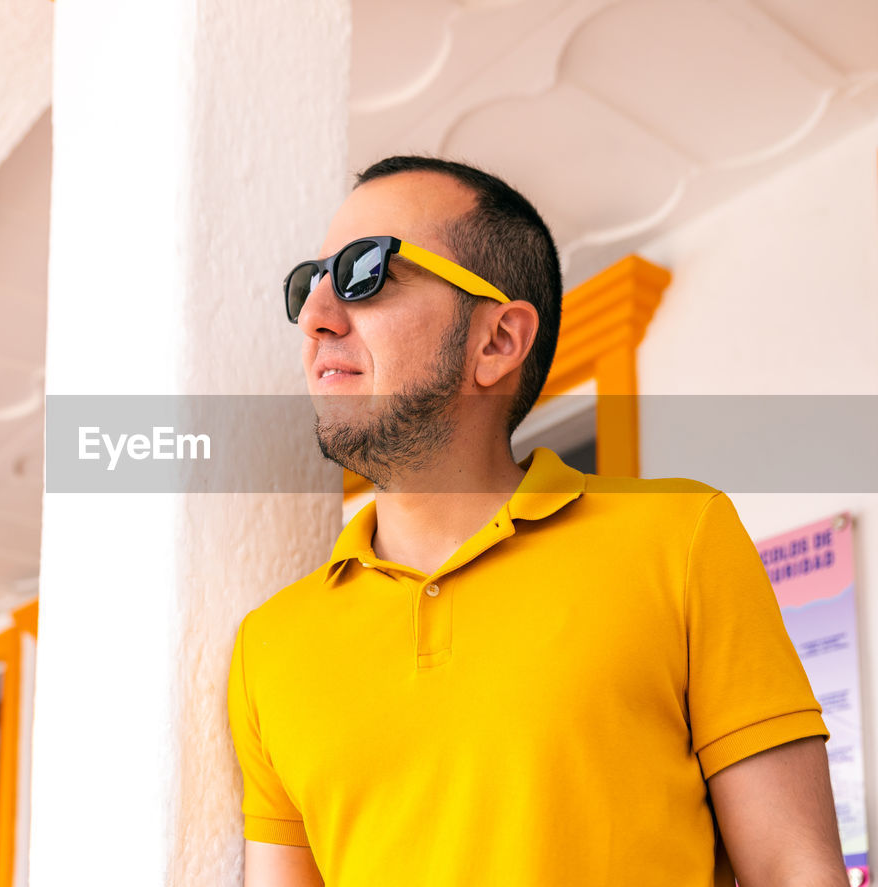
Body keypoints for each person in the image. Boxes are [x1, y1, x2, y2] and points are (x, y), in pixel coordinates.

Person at [226, 156, 849, 887]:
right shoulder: (269, 647)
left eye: (366, 272)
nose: (317, 317)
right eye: (311, 283)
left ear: (498, 340)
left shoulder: (680, 538)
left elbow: (794, 869)